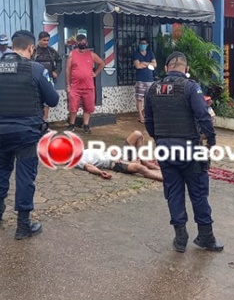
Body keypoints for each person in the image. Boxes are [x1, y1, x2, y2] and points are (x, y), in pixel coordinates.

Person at [144, 51, 224, 254]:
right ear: (186, 69)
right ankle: (205, 236)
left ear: (166, 68)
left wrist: (159, 138)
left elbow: (149, 121)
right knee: (198, 193)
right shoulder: (191, 87)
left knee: (173, 192)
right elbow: (203, 116)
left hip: (165, 149)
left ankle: (180, 238)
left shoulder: (153, 89)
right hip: (190, 149)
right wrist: (211, 140)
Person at [0, 30, 59, 240]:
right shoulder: (35, 69)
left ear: (12, 46)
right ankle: (23, 226)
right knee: (25, 176)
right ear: (31, 48)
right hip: (27, 133)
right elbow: (53, 100)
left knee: (0, 169)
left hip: (0, 130)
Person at [76, 131, 162, 181]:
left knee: (137, 134)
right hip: (114, 163)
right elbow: (88, 167)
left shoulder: (84, 151)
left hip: (117, 154)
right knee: (140, 168)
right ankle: (165, 178)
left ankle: (144, 161)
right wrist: (100, 172)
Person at [65, 33, 105, 134]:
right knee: (73, 106)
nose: (82, 43)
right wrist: (68, 85)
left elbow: (102, 63)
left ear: (86, 42)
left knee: (88, 107)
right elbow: (67, 70)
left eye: (84, 41)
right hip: (75, 86)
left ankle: (86, 125)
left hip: (88, 86)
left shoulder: (91, 54)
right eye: (80, 41)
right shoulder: (72, 54)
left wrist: (95, 73)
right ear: (77, 42)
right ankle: (72, 124)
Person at [34, 31, 62, 121]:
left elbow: (59, 61)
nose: (46, 42)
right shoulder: (33, 51)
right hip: (35, 80)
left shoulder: (51, 51)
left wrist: (56, 72)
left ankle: (44, 121)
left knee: (46, 102)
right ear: (39, 40)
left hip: (48, 79)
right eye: (44, 40)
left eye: (47, 40)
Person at [132, 38, 156, 123]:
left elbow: (154, 65)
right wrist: (149, 64)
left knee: (148, 99)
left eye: (144, 43)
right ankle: (140, 116)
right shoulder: (136, 54)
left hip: (150, 80)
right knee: (139, 99)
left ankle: (146, 115)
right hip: (140, 80)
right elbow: (138, 66)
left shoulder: (150, 53)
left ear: (147, 44)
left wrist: (144, 63)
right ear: (139, 45)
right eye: (141, 43)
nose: (143, 45)